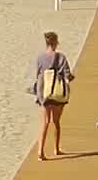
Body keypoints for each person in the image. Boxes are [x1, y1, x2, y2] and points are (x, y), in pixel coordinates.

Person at [30, 31, 74, 161]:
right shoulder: (61, 57)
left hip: (44, 92)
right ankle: (56, 148)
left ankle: (40, 151)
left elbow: (38, 75)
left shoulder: (40, 58)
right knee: (56, 122)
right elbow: (67, 75)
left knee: (44, 123)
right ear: (56, 42)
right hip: (57, 92)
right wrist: (70, 78)